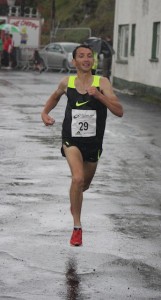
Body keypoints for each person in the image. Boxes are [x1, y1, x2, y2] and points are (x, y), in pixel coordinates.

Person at [41, 44, 123, 246]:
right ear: (74, 61)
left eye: (89, 56)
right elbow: (54, 97)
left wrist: (99, 95)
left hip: (93, 144)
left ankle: (74, 202)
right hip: (72, 139)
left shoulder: (102, 82)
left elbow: (119, 111)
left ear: (93, 61)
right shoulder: (67, 82)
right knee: (77, 179)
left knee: (83, 185)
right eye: (82, 56)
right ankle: (77, 227)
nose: (86, 59)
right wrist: (44, 113)